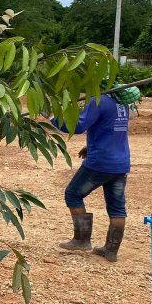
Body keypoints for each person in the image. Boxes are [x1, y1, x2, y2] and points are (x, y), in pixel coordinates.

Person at [56, 92, 132, 262]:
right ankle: (111, 251)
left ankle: (82, 240)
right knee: (117, 208)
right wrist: (90, 147)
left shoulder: (98, 101)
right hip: (121, 163)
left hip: (100, 163)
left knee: (73, 194)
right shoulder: (122, 101)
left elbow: (77, 126)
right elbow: (109, 129)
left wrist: (53, 117)